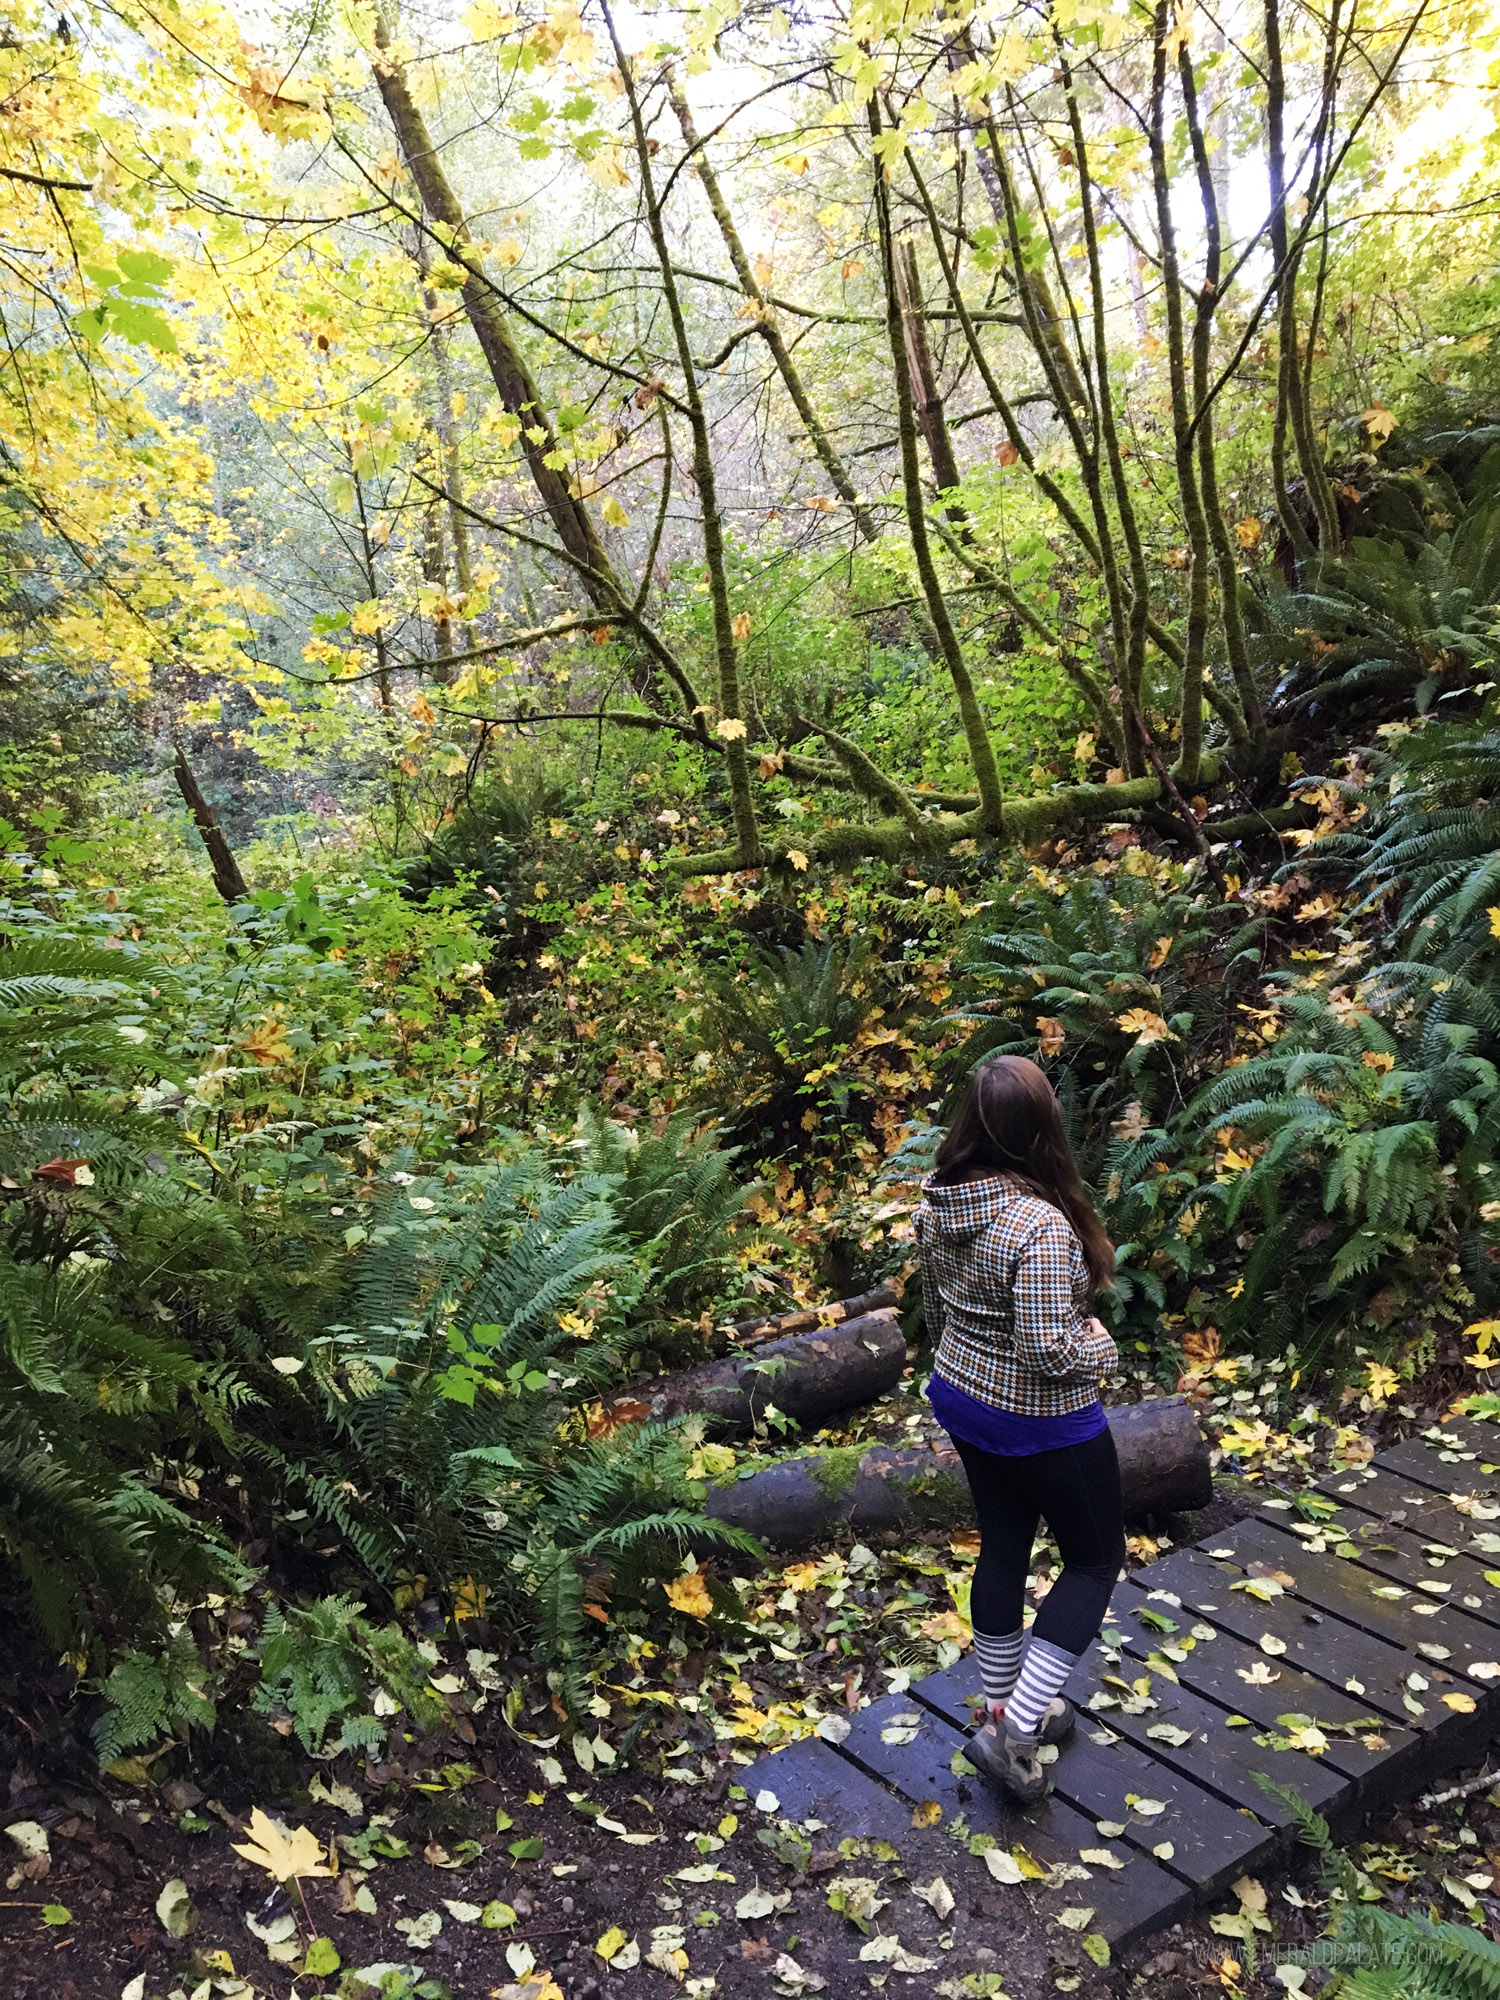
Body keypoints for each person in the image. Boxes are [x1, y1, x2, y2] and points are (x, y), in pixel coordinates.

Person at [915, 1054, 1125, 1805]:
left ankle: (1005, 1707)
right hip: (1039, 1418)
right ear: (1041, 1128)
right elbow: (1048, 1348)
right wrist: (1101, 1344)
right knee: (1095, 1561)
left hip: (962, 1396)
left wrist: (953, 1371)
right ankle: (1018, 1731)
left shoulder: (937, 1201)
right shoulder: (1036, 1223)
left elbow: (937, 1312)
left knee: (1004, 1543)